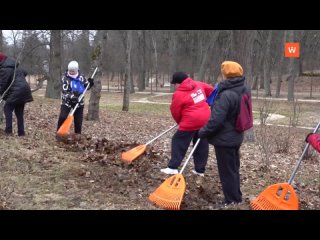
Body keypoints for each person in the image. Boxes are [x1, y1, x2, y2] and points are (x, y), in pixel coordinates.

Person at [199, 61, 249, 206]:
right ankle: (236, 196)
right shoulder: (243, 89)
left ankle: (231, 200)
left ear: (226, 74)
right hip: (236, 136)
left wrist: (204, 131)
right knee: (233, 168)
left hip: (225, 139)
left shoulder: (226, 94)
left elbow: (216, 120)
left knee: (227, 172)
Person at [161, 72, 214, 176]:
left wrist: (180, 122)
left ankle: (173, 167)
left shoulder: (178, 94)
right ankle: (199, 170)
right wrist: (207, 102)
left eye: (174, 84)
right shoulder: (198, 84)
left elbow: (175, 111)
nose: (174, 86)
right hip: (205, 119)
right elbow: (212, 91)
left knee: (178, 141)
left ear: (178, 83)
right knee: (201, 143)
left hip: (190, 121)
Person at [56, 61, 94, 138]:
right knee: (63, 117)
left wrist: (90, 83)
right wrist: (74, 98)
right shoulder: (65, 78)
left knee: (78, 121)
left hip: (79, 103)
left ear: (77, 70)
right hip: (67, 102)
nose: (71, 72)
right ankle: (59, 134)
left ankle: (77, 136)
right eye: (70, 71)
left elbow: (86, 87)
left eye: (73, 71)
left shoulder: (81, 77)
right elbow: (65, 91)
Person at [0, 52, 33, 136]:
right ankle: (21, 133)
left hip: (17, 91)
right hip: (24, 90)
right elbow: (25, 72)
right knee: (19, 112)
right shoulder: (14, 65)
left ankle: (8, 131)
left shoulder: (5, 69)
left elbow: (2, 84)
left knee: (7, 108)